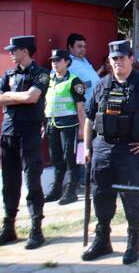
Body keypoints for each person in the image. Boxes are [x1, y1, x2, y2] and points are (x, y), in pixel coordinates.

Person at [81, 40, 139, 264]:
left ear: (131, 58)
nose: (118, 62)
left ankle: (133, 243)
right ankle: (102, 241)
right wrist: (86, 147)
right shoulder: (102, 84)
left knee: (131, 198)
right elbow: (89, 117)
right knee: (101, 196)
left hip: (130, 150)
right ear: (109, 61)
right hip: (103, 148)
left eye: (122, 57)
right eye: (114, 59)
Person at [0, 36, 49, 249]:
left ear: (25, 51)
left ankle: (36, 228)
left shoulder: (41, 73)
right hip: (9, 132)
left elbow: (33, 98)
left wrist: (10, 96)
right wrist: (21, 96)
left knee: (32, 180)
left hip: (29, 132)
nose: (10, 53)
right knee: (9, 182)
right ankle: (8, 226)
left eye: (14, 50)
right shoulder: (8, 74)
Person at [43, 50, 86, 205]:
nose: (54, 63)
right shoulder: (49, 79)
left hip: (69, 124)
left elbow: (80, 107)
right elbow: (46, 103)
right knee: (56, 158)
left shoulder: (74, 81)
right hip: (52, 124)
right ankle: (56, 190)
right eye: (53, 60)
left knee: (70, 158)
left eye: (58, 60)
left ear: (67, 62)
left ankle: (71, 190)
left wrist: (82, 129)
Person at [67, 33, 100, 109]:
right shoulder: (66, 61)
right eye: (79, 46)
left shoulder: (85, 60)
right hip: (83, 108)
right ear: (70, 47)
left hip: (96, 104)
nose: (83, 49)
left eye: (84, 47)